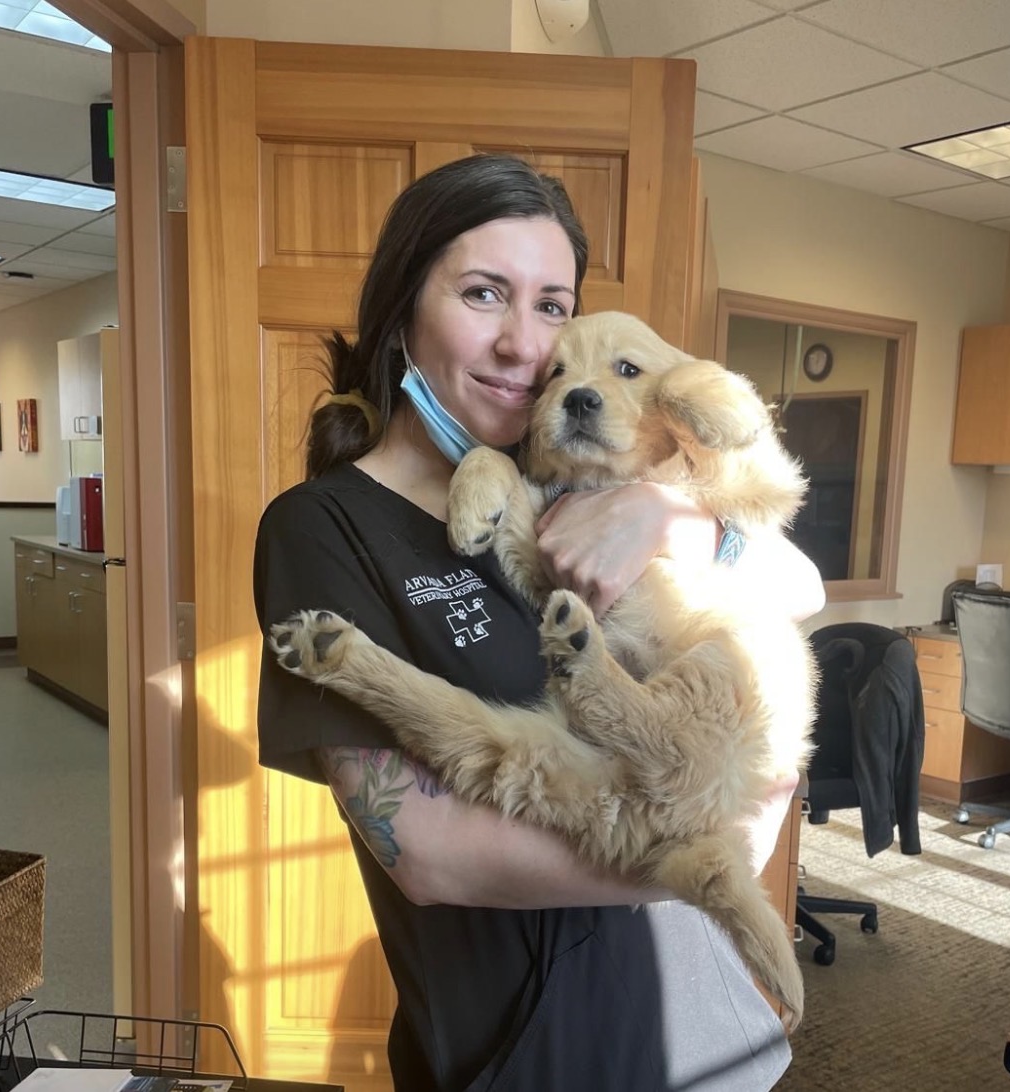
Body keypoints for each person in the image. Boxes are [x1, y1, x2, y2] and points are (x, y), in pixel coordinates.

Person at [254, 154, 825, 1092]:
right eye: (485, 295)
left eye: (552, 305)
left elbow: (800, 581)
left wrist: (677, 522)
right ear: (402, 311)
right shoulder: (324, 530)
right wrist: (708, 858)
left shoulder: (578, 474)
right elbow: (430, 854)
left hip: (705, 1028)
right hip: (529, 1053)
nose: (526, 345)